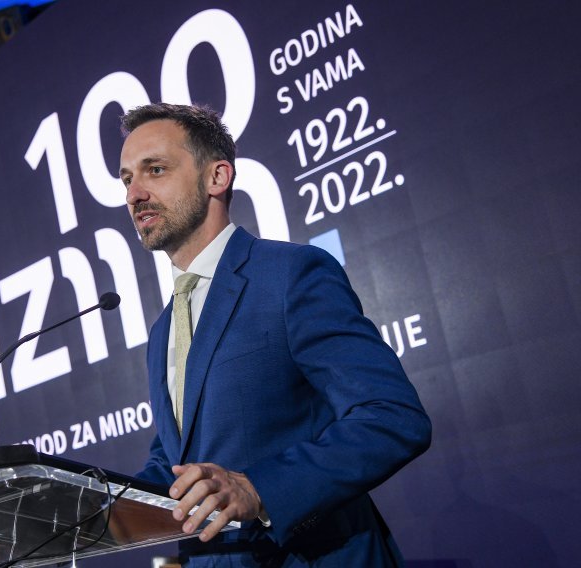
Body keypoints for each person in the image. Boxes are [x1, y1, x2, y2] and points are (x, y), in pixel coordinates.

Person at [118, 103, 431, 567]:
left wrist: (260, 489)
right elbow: (175, 461)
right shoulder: (164, 329)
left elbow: (392, 416)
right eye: (127, 179)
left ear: (217, 177)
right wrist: (89, 512)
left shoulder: (290, 274)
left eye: (155, 170)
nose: (135, 193)